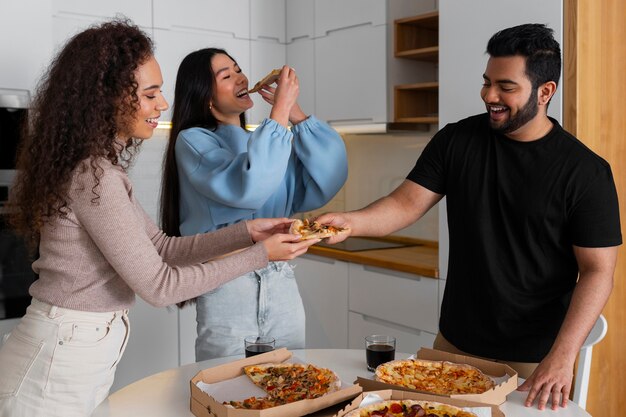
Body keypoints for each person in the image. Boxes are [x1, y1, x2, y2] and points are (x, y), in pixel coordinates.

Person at [0, 20, 318, 417]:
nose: (163, 104)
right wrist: (261, 255)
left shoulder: (99, 171)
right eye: (150, 94)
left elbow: (161, 248)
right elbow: (161, 285)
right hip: (53, 364)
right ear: (107, 100)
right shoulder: (94, 177)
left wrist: (248, 233)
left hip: (68, 351)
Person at [316, 23, 621, 411]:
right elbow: (406, 204)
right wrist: (352, 222)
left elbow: (598, 271)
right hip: (453, 345)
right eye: (486, 82)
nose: (489, 95)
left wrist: (562, 357)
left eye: (505, 87)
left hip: (533, 357)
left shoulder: (585, 172)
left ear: (545, 92)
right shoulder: (456, 141)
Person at [160, 48, 348, 360]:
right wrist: (280, 113)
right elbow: (248, 187)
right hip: (228, 282)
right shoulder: (193, 141)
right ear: (205, 95)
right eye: (227, 75)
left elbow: (327, 179)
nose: (241, 77)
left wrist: (296, 114)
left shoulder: (265, 142)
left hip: (280, 278)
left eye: (238, 69)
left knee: (291, 381)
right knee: (226, 387)